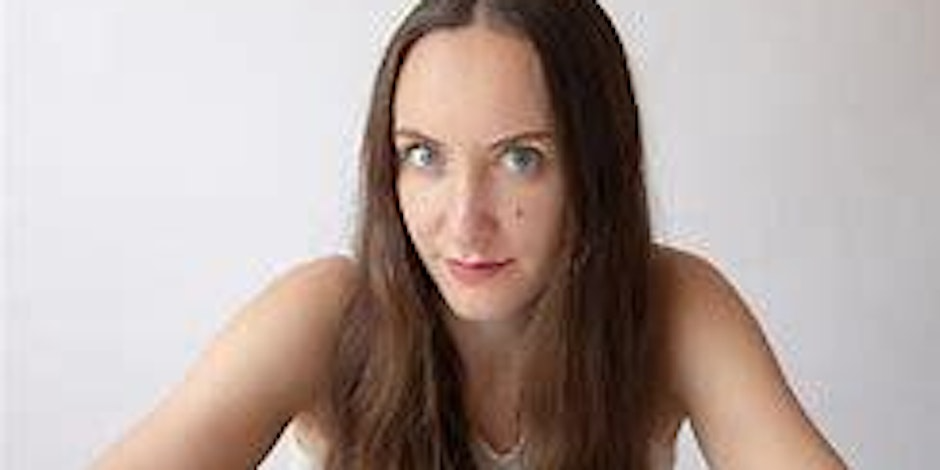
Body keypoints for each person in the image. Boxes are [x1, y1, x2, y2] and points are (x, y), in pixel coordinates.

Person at [92, 0, 848, 468]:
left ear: (597, 167)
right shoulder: (326, 314)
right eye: (424, 156)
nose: (464, 221)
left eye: (521, 159)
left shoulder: (673, 304)